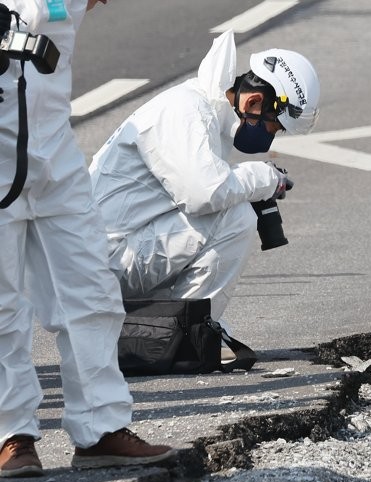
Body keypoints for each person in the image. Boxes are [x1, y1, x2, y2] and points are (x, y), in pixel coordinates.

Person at [0, 0, 176, 478]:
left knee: (92, 291)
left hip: (55, 151)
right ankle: (10, 434)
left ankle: (101, 430)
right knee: (2, 306)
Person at [89, 31, 321, 325]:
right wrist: (263, 178)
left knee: (231, 206)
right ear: (253, 103)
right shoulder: (186, 111)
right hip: (107, 262)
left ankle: (181, 328)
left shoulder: (205, 113)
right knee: (235, 216)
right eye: (274, 127)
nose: (270, 137)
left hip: (115, 254)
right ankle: (188, 331)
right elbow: (204, 193)